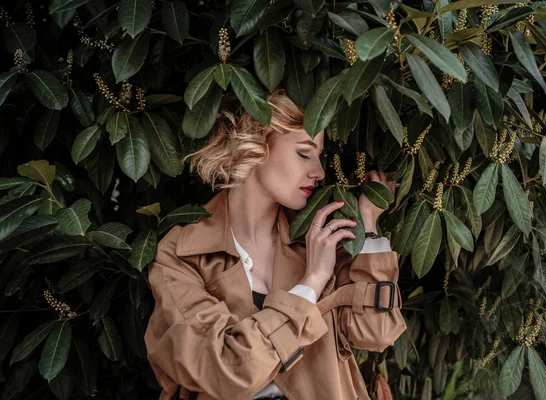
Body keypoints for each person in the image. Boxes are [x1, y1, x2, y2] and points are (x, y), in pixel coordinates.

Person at [144, 89, 407, 400]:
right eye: (304, 153)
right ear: (256, 145)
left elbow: (376, 334)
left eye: (320, 157)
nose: (320, 172)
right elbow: (225, 369)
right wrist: (311, 284)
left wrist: (368, 226)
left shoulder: (317, 240)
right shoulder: (182, 253)